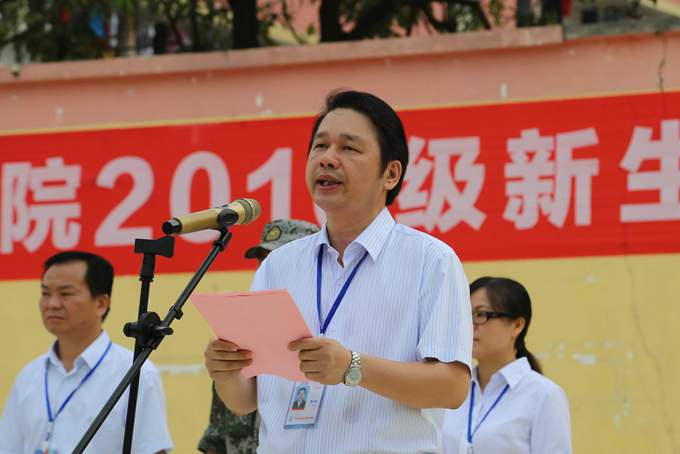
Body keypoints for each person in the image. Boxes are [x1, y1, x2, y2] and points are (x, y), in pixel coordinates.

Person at [204, 90, 473, 453]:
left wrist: (352, 367)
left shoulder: (430, 260)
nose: (327, 159)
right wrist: (226, 371)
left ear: (391, 173)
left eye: (348, 148)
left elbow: (452, 387)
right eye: (320, 146)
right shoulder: (278, 265)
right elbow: (245, 399)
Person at [0, 251, 173, 454]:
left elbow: (152, 449)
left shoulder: (135, 373)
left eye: (66, 294)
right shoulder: (29, 375)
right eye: (45, 293)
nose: (52, 304)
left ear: (101, 304)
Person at [198, 219, 320, 454]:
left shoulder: (330, 337)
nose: (267, 268)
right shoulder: (239, 346)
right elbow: (216, 441)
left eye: (278, 259)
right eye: (262, 261)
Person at [441, 276, 572, 454]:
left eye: (481, 315)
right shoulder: (454, 389)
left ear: (517, 325)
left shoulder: (544, 395)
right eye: (466, 315)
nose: (470, 326)